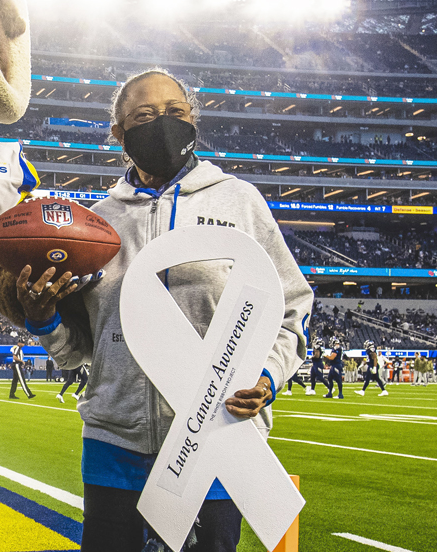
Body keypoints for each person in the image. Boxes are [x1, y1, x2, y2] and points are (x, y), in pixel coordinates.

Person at [17, 69, 313, 552]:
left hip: (217, 440)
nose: (162, 123)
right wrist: (44, 318)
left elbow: (291, 308)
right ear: (119, 133)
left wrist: (265, 376)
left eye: (175, 112)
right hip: (115, 447)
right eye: (145, 115)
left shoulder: (240, 202)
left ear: (193, 121)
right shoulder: (98, 226)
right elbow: (75, 354)